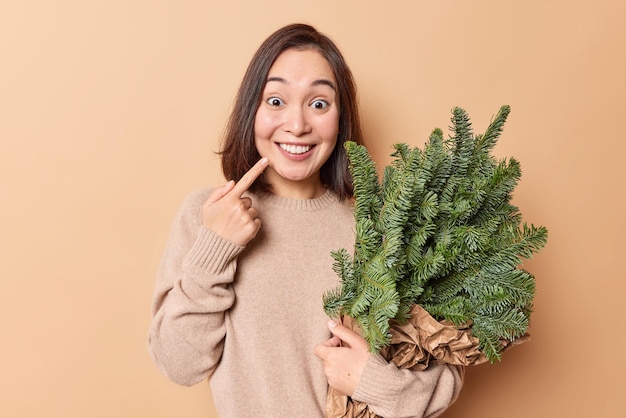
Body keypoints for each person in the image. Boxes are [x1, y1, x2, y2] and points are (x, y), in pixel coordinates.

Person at [148, 23, 464, 417]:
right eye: (276, 101)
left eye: (318, 104)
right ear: (252, 111)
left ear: (340, 118)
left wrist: (371, 379)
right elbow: (179, 364)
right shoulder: (210, 214)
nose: (297, 125)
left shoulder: (379, 230)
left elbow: (447, 367)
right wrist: (216, 249)